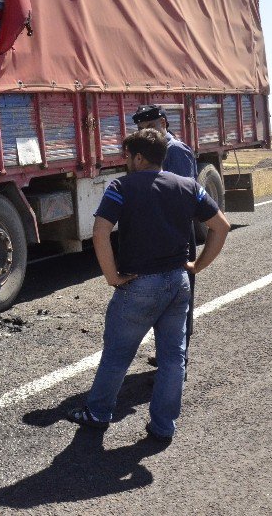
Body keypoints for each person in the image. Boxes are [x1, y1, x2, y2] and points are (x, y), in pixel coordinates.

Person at [66, 129, 230, 442]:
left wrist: (112, 276)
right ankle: (163, 426)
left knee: (117, 354)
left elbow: (100, 233)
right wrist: (198, 265)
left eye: (127, 156)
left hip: (139, 286)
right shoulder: (188, 186)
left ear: (139, 157)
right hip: (177, 281)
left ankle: (98, 413)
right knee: (172, 358)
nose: (125, 162)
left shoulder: (121, 187)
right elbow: (220, 227)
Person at [132, 104, 197, 372]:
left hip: (177, 233)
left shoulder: (176, 151)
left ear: (163, 123)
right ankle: (166, 354)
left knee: (180, 299)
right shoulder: (147, 153)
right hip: (158, 234)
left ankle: (178, 359)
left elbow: (185, 195)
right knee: (162, 297)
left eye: (148, 127)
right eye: (140, 129)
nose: (145, 133)